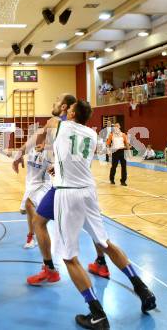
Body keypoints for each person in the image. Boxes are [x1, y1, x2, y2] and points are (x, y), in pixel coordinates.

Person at [52, 100, 156, 329]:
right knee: (105, 242)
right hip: (88, 191)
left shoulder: (62, 126)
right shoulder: (90, 133)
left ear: (70, 113)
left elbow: (55, 119)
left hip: (68, 194)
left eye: (67, 108)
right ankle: (143, 289)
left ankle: (97, 313)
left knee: (69, 257)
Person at [13, 94, 110, 285]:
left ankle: (51, 268)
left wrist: (21, 152)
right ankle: (101, 261)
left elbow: (38, 135)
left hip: (65, 185)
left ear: (66, 108)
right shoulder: (84, 129)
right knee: (92, 226)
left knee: (42, 223)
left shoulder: (57, 123)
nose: (53, 103)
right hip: (81, 184)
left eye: (56, 101)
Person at [19, 143, 52, 249]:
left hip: (43, 184)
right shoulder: (31, 148)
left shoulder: (49, 152)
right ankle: (37, 231)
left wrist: (53, 167)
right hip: (30, 185)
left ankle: (34, 235)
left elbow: (54, 165)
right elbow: (16, 152)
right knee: (24, 210)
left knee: (29, 205)